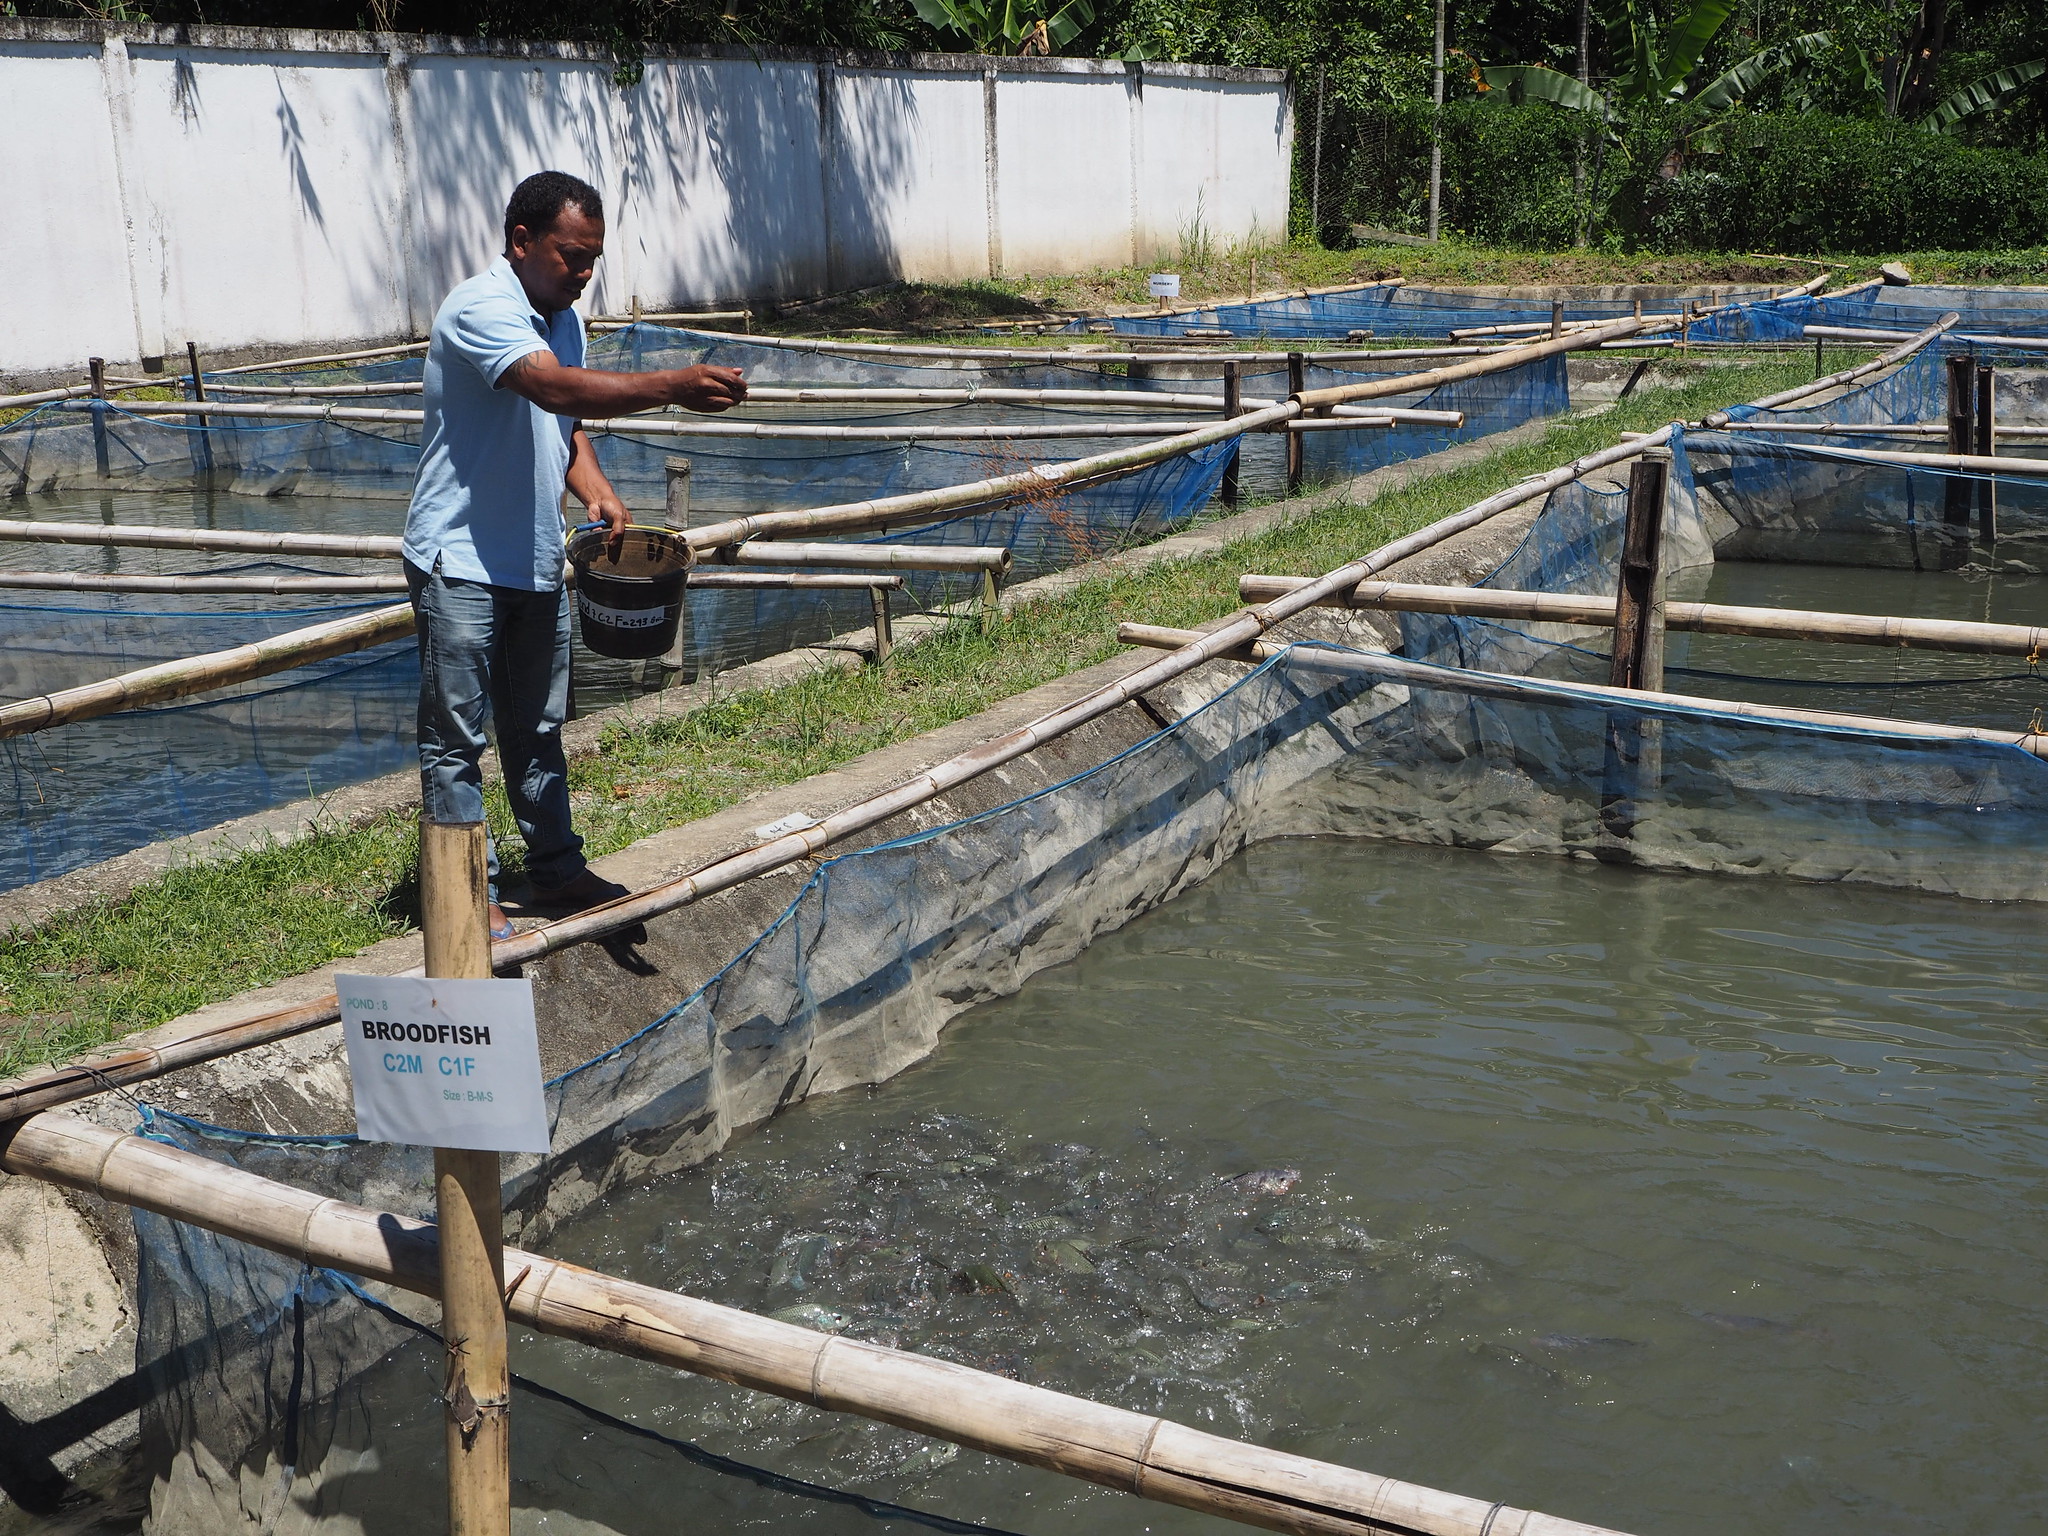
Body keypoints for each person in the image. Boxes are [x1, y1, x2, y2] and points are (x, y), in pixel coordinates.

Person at [404, 170, 747, 940]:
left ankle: (555, 870)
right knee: (456, 739)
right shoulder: (480, 307)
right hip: (458, 560)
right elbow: (556, 390)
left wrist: (594, 486)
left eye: (594, 256)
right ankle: (464, 896)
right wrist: (672, 384)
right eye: (571, 255)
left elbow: (564, 428)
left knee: (537, 725)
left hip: (528, 556)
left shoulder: (561, 313)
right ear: (521, 241)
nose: (585, 271)